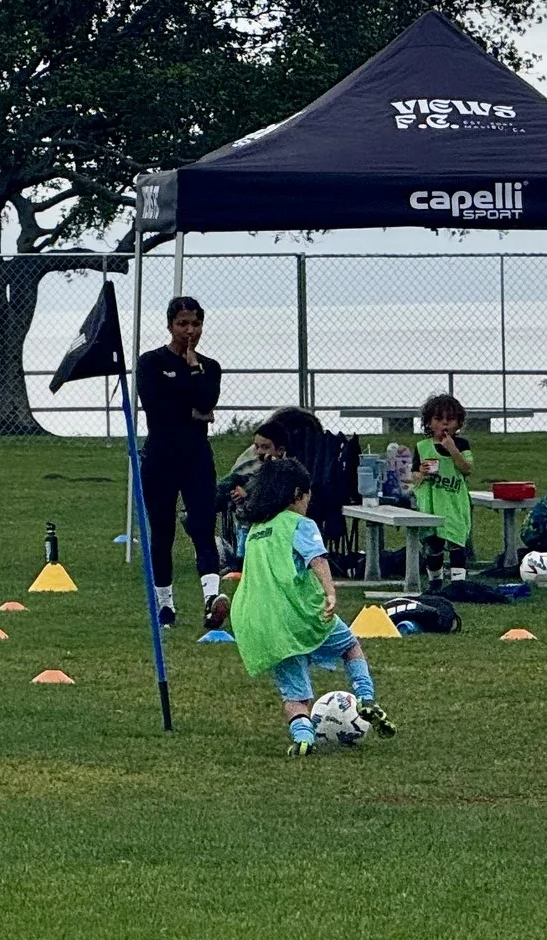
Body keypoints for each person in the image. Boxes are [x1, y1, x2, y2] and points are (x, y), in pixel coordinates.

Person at [227, 455, 396, 756]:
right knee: (350, 646)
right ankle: (366, 698)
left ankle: (304, 738)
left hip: (260, 622)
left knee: (294, 694)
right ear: (296, 494)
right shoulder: (299, 524)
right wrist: (330, 592)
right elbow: (317, 558)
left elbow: (243, 561)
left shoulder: (255, 530)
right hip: (302, 613)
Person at [135, 296, 223, 627]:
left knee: (202, 525)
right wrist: (193, 411)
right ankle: (165, 604)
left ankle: (212, 601)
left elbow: (207, 399)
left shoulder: (209, 366)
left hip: (197, 457)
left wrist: (193, 367)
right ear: (170, 325)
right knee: (162, 529)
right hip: (160, 457)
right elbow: (158, 409)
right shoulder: (150, 362)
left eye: (195, 324)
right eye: (182, 324)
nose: (189, 330)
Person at [413, 393, 477, 580]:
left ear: (458, 423)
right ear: (429, 423)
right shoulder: (422, 447)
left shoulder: (462, 445)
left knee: (457, 542)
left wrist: (452, 450)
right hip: (432, 503)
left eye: (450, 420)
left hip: (455, 501)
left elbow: (467, 469)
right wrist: (422, 473)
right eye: (438, 419)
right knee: (434, 545)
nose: (444, 424)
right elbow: (413, 476)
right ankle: (435, 580)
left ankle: (459, 582)